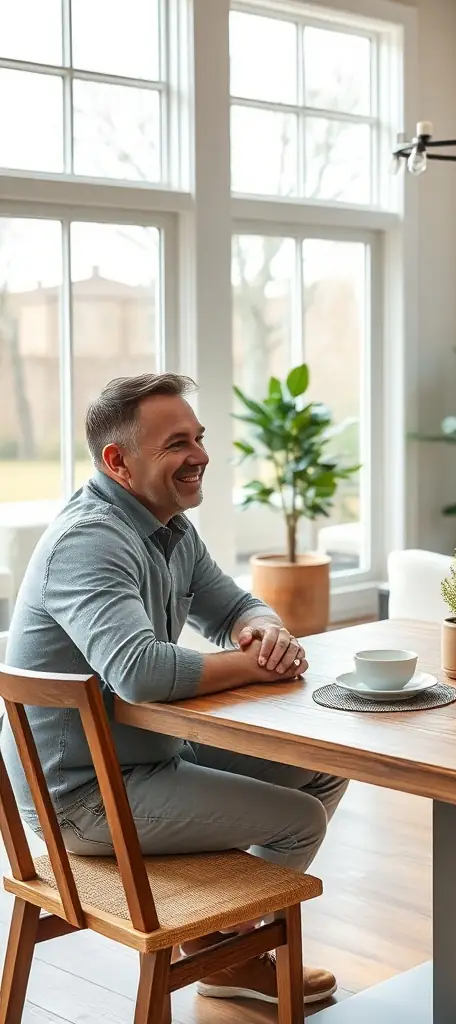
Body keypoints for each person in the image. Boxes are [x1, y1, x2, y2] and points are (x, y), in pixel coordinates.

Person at [0, 373, 348, 1007]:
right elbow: (140, 671)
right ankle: (227, 953)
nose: (201, 456)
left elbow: (233, 605)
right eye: (177, 444)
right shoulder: (90, 540)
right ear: (118, 461)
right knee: (301, 817)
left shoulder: (170, 527)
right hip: (83, 796)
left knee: (323, 770)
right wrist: (259, 667)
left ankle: (220, 941)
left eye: (200, 438)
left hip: (148, 757)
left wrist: (262, 630)